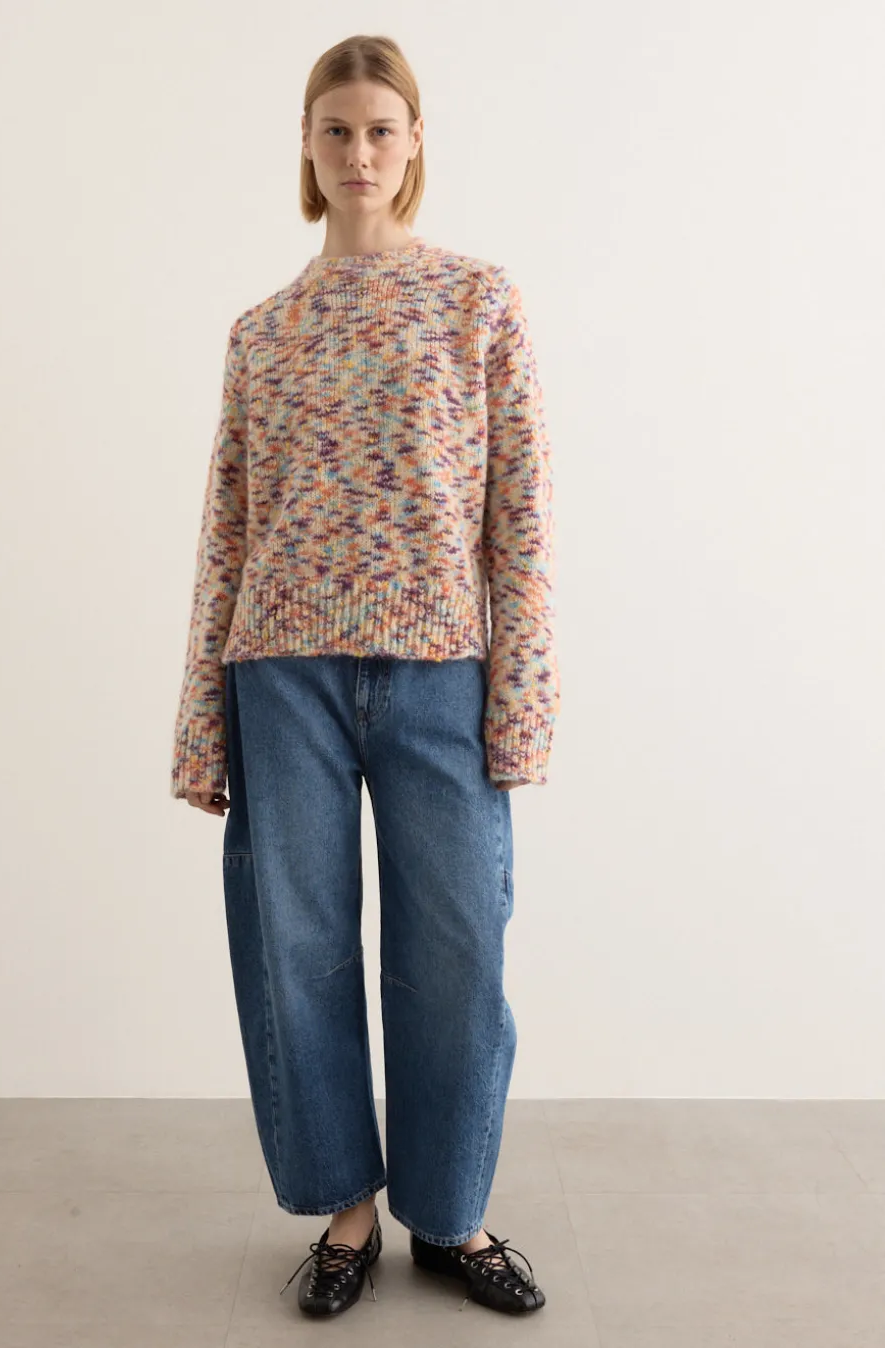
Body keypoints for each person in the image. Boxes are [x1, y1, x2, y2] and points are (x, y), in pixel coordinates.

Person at [170, 33, 559, 1319]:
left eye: (381, 129)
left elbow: (520, 516)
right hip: (280, 673)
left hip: (442, 668)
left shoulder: (477, 300)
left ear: (415, 142)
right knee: (298, 949)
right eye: (335, 130)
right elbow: (227, 534)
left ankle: (451, 1214)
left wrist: (523, 697)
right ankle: (346, 1208)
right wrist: (200, 725)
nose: (358, 153)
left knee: (458, 951)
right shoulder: (262, 331)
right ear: (306, 143)